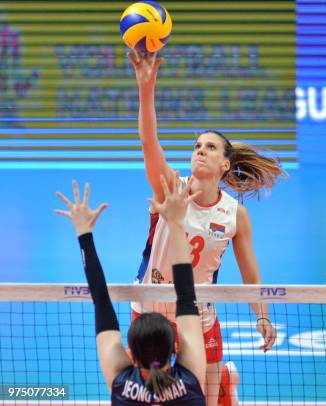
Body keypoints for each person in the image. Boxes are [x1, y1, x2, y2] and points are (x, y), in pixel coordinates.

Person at [127, 51, 283, 406]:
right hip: (150, 306)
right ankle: (219, 377)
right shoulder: (170, 188)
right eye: (196, 146)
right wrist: (145, 88)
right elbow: (149, 143)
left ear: (225, 164)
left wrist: (261, 317)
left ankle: (224, 379)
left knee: (205, 402)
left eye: (209, 148)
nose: (199, 151)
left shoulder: (234, 214)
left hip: (198, 311)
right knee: (148, 395)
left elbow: (250, 274)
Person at [54, 176, 207, 404]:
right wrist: (176, 223)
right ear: (176, 348)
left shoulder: (121, 384)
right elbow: (186, 292)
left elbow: (100, 300)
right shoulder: (190, 380)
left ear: (131, 356)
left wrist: (83, 234)